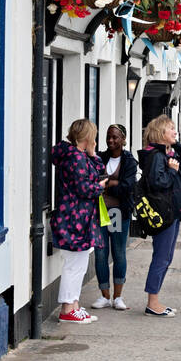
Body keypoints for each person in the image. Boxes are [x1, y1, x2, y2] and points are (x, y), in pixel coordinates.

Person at [138, 115, 181, 317]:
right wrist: (172, 171)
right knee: (161, 258)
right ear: (160, 133)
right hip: (164, 214)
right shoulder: (156, 157)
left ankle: (155, 300)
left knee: (166, 257)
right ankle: (152, 302)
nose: (175, 131)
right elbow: (159, 183)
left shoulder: (165, 154)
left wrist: (176, 144)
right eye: (171, 129)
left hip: (171, 213)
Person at [50, 119, 108, 324]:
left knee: (79, 263)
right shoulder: (75, 158)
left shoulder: (78, 156)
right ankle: (67, 308)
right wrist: (100, 187)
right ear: (87, 136)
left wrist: (93, 154)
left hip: (76, 217)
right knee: (74, 265)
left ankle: (73, 305)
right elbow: (84, 188)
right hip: (74, 217)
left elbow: (99, 171)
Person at [90, 124, 137, 311]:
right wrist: (112, 183)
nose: (111, 140)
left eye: (115, 137)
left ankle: (118, 297)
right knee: (101, 254)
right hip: (100, 212)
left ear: (123, 139)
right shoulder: (100, 158)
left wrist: (106, 183)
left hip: (119, 212)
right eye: (109, 137)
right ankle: (104, 296)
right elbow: (93, 180)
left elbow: (127, 187)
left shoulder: (129, 161)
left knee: (118, 253)